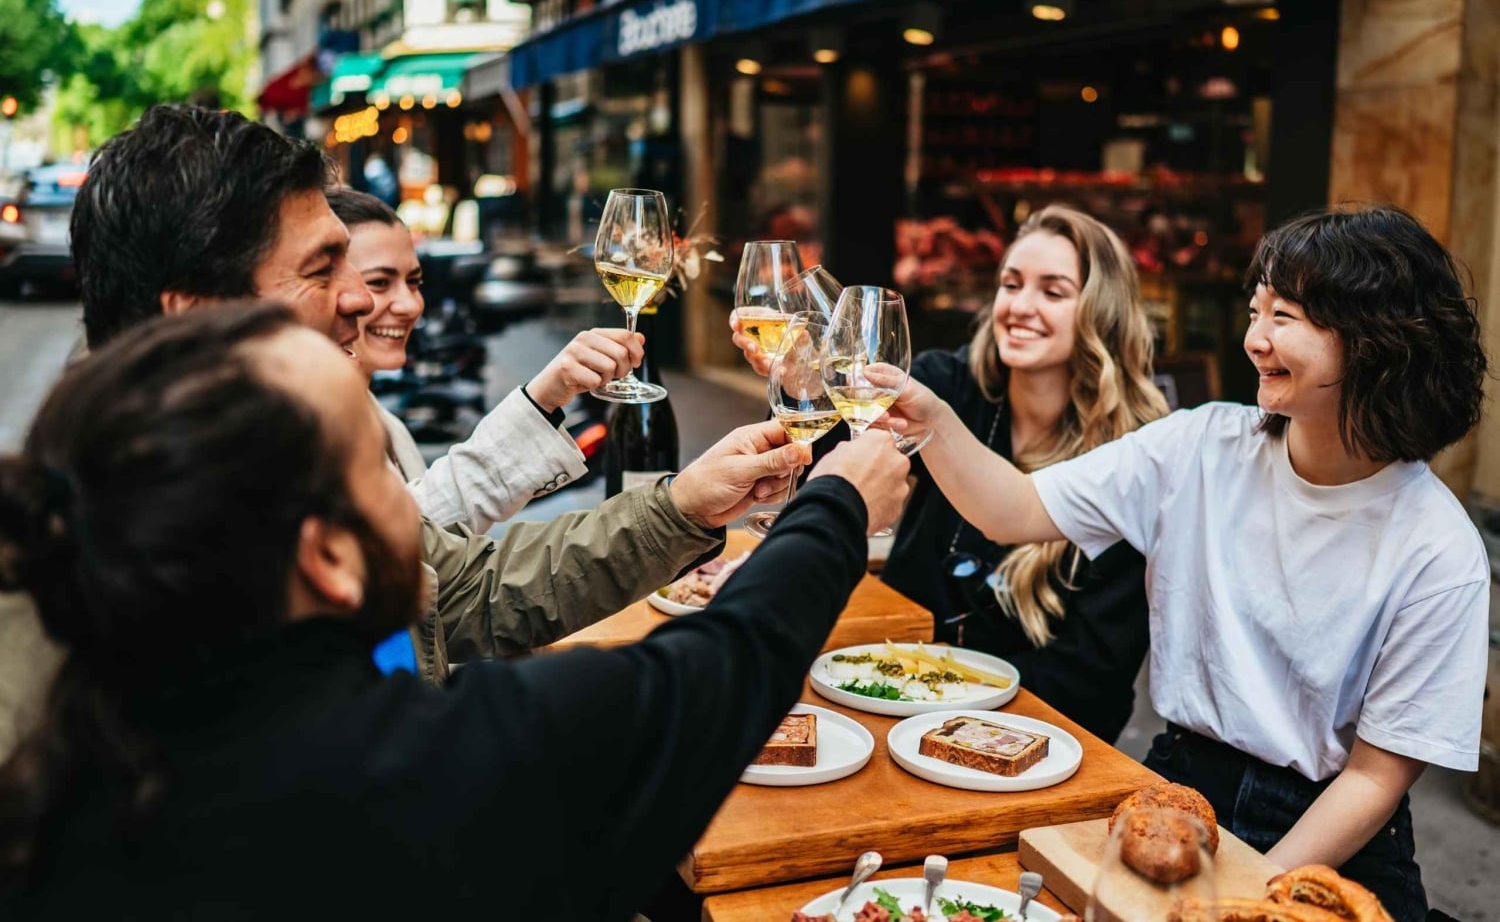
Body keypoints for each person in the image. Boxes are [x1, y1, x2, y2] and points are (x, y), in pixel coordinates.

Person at [0, 302, 911, 918]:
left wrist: (680, 507)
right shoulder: (415, 776)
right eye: (378, 470)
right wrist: (837, 508)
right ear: (327, 559)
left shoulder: (76, 776)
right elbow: (716, 671)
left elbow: (480, 586)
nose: (418, 496)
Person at [0, 105, 804, 756]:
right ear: (197, 314)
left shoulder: (274, 449)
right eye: (323, 269)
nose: (365, 300)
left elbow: (467, 589)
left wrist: (684, 506)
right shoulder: (92, 584)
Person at [888, 205, 1491, 922]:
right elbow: (1012, 508)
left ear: (1373, 342)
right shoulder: (1199, 447)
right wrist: (931, 418)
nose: (1254, 338)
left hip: (1336, 828)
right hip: (1176, 793)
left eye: (1284, 316)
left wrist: (1249, 898)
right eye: (1255, 310)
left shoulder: (1437, 547)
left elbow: (1373, 778)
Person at [731, 206, 1166, 743]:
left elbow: (1091, 683)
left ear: (1104, 313)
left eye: (1053, 292)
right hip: (883, 688)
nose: (1020, 306)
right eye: (1011, 284)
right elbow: (827, 455)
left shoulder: (1136, 457)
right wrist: (802, 384)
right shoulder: (951, 383)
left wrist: (939, 700)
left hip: (1027, 733)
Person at [328, 185, 638, 530]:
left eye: (414, 282)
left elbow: (435, 539)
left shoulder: (378, 417)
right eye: (378, 282)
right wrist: (542, 397)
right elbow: (407, 534)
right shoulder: (315, 430)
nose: (410, 305)